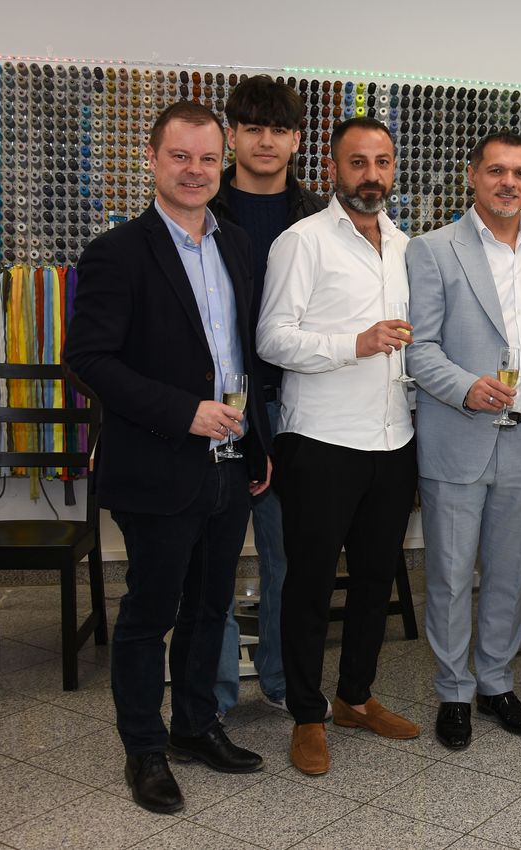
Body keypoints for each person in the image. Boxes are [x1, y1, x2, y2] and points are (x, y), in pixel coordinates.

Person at [65, 100, 271, 814]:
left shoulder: (236, 245)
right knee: (150, 613)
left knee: (211, 607)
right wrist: (182, 412)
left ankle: (193, 727)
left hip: (226, 464)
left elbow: (241, 357)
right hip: (156, 466)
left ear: (226, 162)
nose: (195, 170)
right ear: (152, 160)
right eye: (180, 156)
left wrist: (257, 446)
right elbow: (88, 358)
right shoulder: (116, 252)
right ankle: (144, 750)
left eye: (208, 158)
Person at [257, 116, 419, 776]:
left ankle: (354, 696)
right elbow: (271, 339)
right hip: (321, 440)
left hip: (394, 437)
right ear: (332, 167)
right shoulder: (301, 242)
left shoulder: (409, 248)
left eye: (381, 162)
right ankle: (305, 711)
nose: (370, 175)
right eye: (358, 162)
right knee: (311, 584)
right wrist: (353, 344)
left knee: (377, 577)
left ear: (393, 168)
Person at [406, 131, 521, 751]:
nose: (508, 183)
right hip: (458, 433)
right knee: (448, 573)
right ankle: (453, 690)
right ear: (472, 176)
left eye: (520, 173)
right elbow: (419, 349)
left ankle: (496, 681)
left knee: (509, 572)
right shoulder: (433, 249)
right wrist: (465, 386)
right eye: (496, 171)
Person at [208, 73, 325, 718]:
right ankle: (217, 693)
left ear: (297, 140)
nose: (265, 140)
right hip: (221, 407)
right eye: (252, 127)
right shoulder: (204, 210)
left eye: (278, 129)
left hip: (295, 406)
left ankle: (281, 682)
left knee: (289, 558)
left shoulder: (316, 219)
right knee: (216, 557)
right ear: (232, 135)